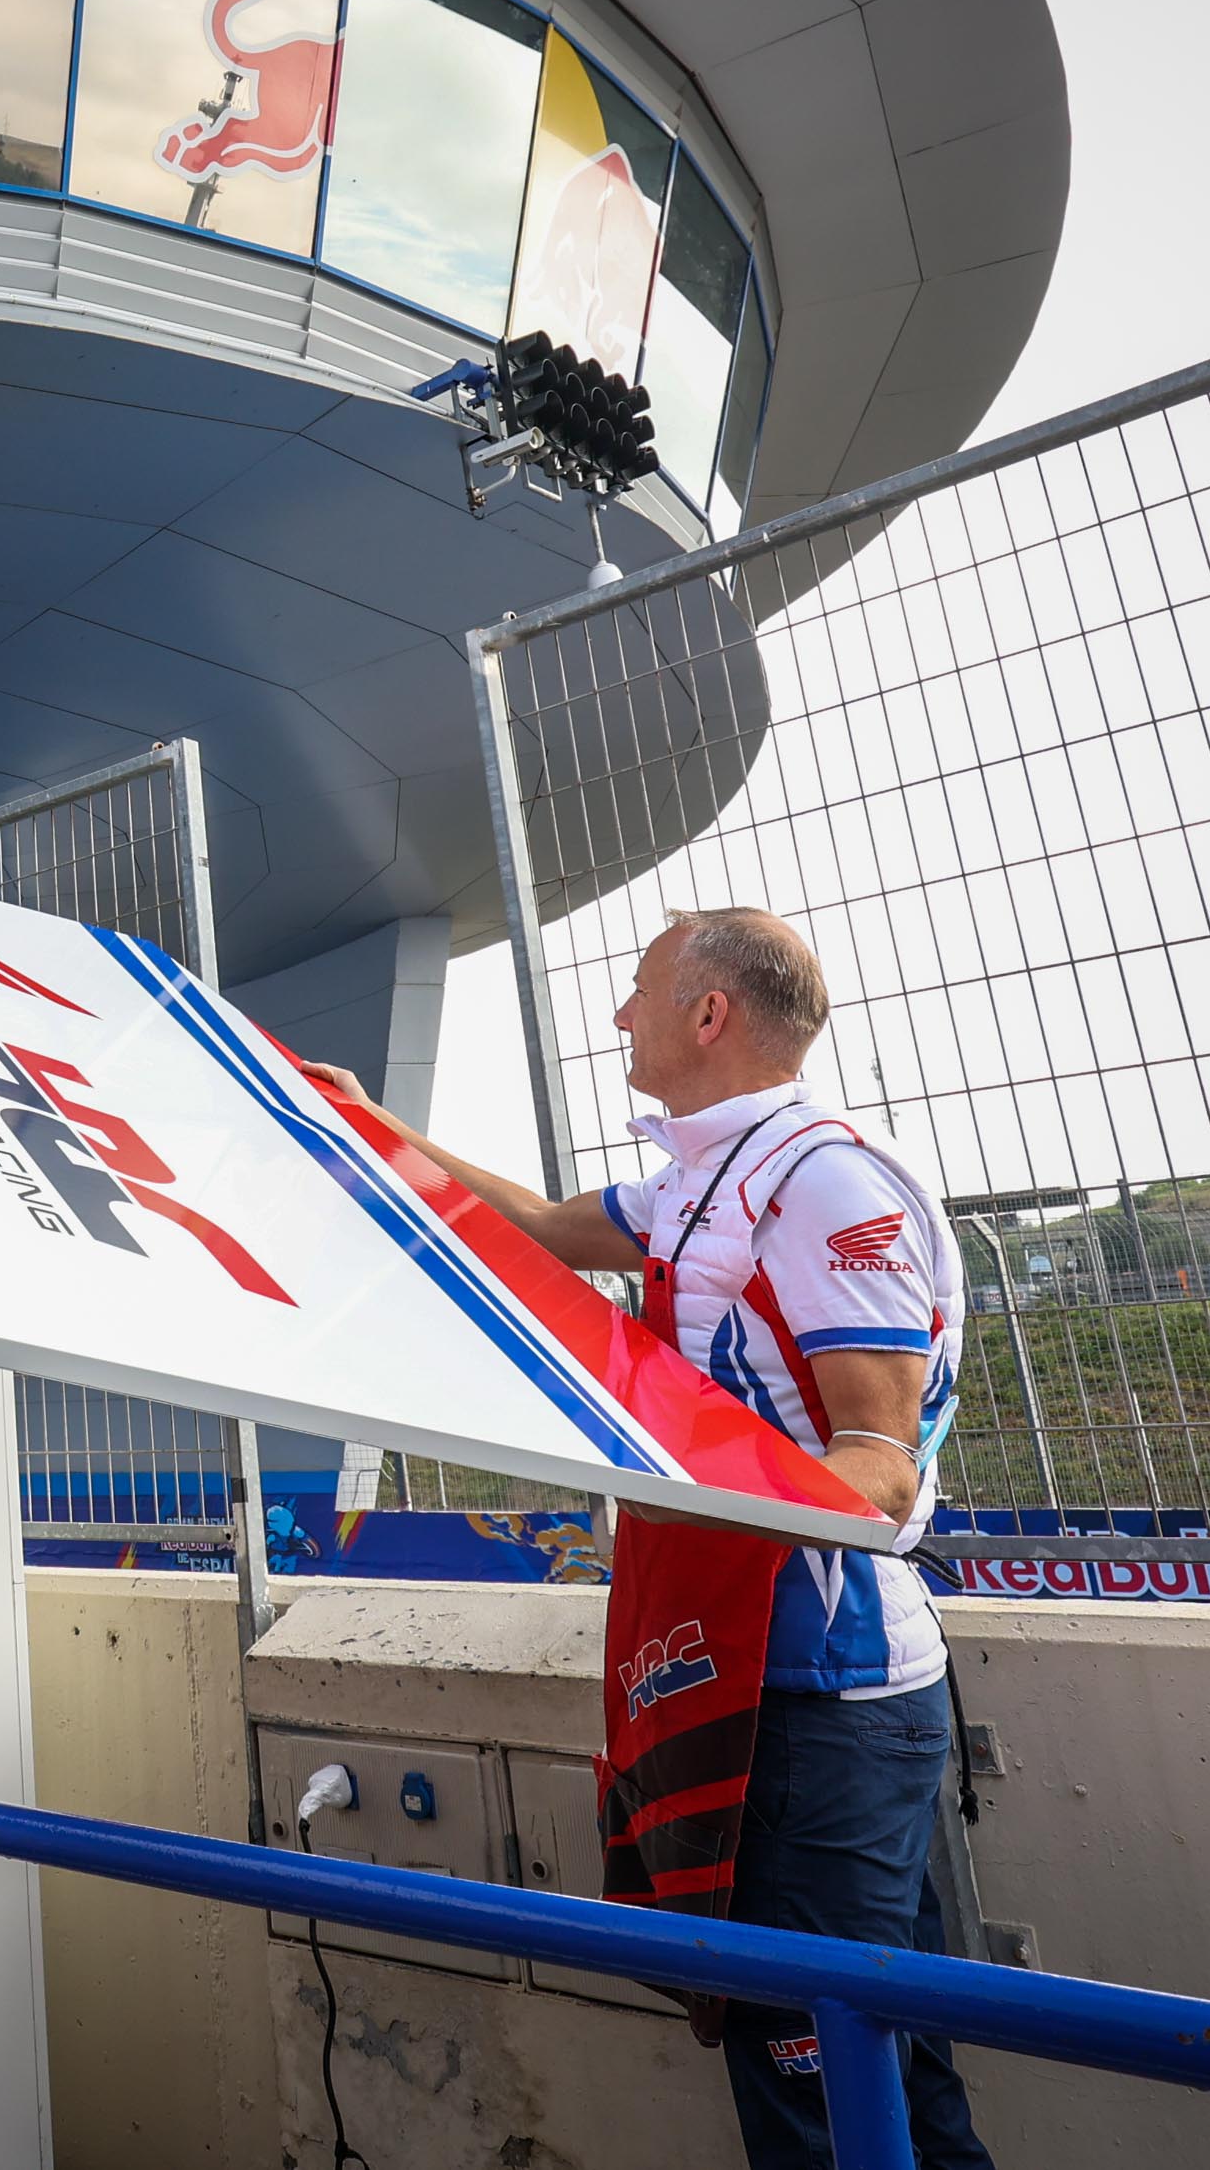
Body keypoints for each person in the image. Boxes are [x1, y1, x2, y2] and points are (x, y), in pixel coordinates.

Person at [302, 906, 996, 2170]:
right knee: (859, 2067)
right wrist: (371, 1123)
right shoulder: (704, 1174)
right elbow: (537, 1225)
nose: (619, 1013)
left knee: (831, 2077)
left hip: (824, 1686)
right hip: (733, 1666)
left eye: (636, 989)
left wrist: (675, 1487)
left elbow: (880, 1462)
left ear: (709, 1011)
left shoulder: (823, 1182)